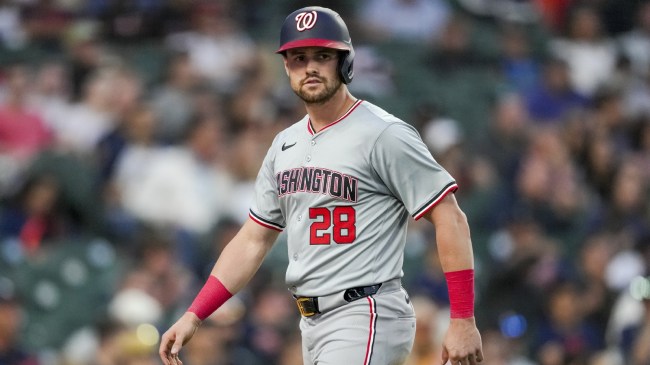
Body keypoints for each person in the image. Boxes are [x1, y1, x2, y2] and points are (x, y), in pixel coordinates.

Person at [159, 6, 483, 365]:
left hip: (365, 311)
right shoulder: (284, 144)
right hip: (311, 323)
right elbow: (253, 238)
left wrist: (463, 319)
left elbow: (450, 217)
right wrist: (195, 313)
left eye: (322, 56)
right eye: (298, 58)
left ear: (345, 63)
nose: (309, 67)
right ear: (286, 68)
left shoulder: (383, 133)